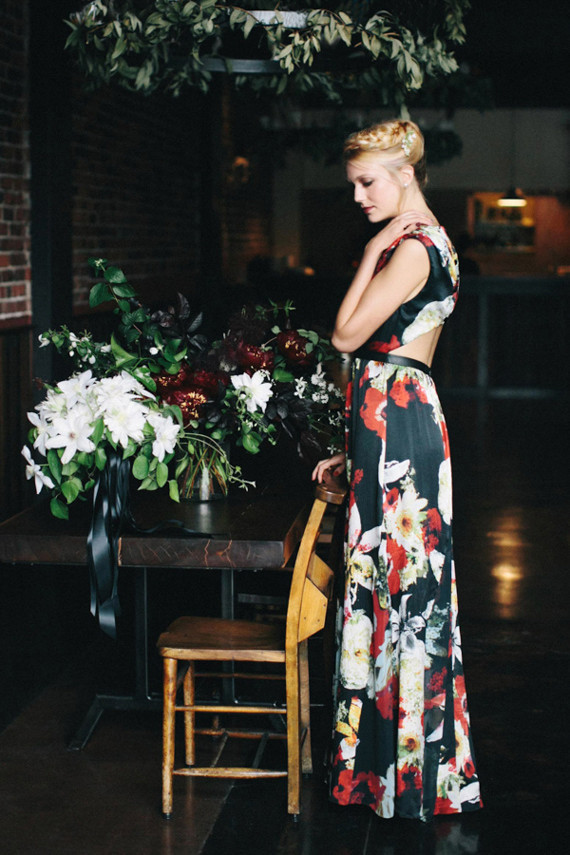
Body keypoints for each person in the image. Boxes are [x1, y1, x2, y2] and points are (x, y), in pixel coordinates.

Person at [312, 119, 482, 821]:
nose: (358, 195)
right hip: (396, 421)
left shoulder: (411, 248)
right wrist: (353, 450)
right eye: (354, 183)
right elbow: (374, 353)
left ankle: (406, 776)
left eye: (367, 181)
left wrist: (373, 251)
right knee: (392, 588)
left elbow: (346, 336)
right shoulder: (418, 244)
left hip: (403, 425)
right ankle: (389, 770)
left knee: (405, 594)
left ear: (404, 174)